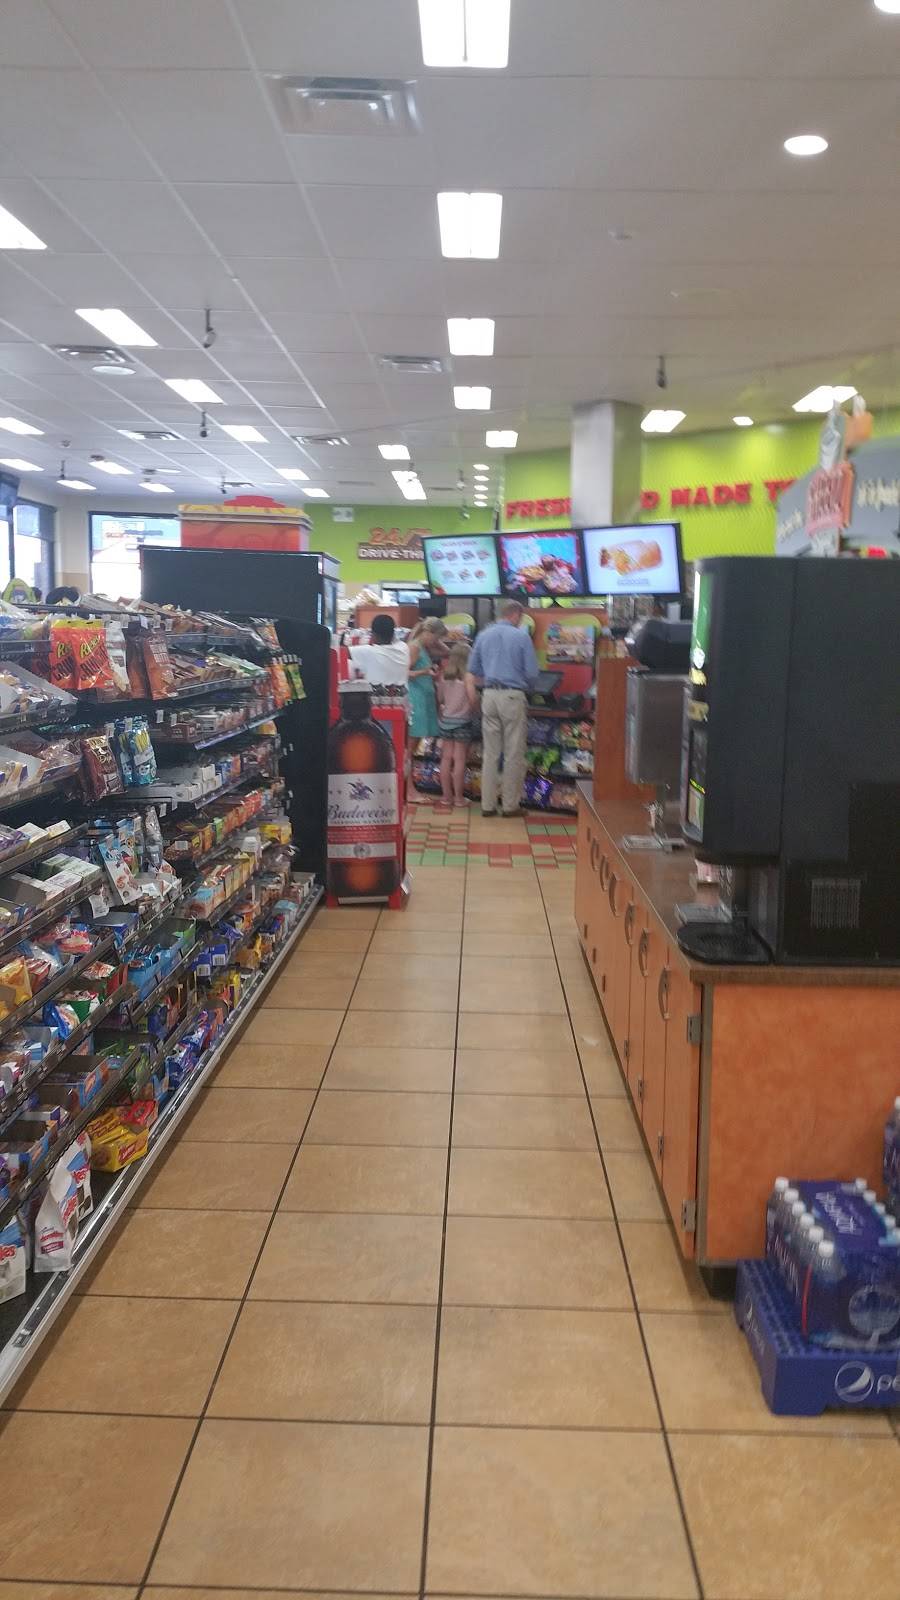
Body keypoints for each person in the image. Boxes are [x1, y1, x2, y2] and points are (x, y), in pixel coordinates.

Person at [466, 598, 539, 817]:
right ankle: (509, 806)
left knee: (490, 754)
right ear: (515, 614)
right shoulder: (521, 636)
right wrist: (529, 687)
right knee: (513, 753)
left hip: (489, 695)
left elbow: (473, 669)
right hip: (512, 696)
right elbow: (532, 673)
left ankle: (487, 805)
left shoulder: (483, 635)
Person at [435, 641, 473, 810]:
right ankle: (458, 798)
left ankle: (446, 797)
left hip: (445, 722)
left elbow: (440, 699)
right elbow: (472, 698)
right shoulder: (467, 678)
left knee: (445, 759)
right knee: (459, 760)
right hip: (463, 722)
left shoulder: (444, 677)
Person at [407, 616, 448, 740]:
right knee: (415, 734)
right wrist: (424, 671)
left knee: (422, 734)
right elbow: (405, 673)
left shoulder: (424, 647)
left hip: (425, 693)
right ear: (428, 633)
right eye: (436, 638)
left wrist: (437, 640)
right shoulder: (415, 647)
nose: (436, 642)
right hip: (416, 695)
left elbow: (447, 652)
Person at [348, 613, 410, 687]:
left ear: (373, 634)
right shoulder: (404, 648)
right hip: (402, 693)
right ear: (393, 633)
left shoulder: (369, 652)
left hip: (376, 693)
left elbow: (340, 653)